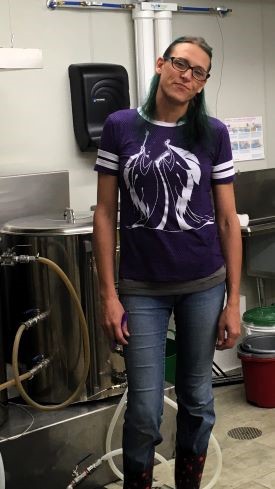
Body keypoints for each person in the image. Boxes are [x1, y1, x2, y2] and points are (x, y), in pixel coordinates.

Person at [93, 35, 242, 489]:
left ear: (202, 84)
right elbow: (104, 213)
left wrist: (233, 300)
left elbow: (227, 220)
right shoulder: (120, 126)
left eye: (198, 72)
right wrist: (109, 295)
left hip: (204, 282)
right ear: (161, 65)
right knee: (143, 407)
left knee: (198, 399)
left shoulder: (212, 133)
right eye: (181, 64)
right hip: (141, 288)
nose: (187, 75)